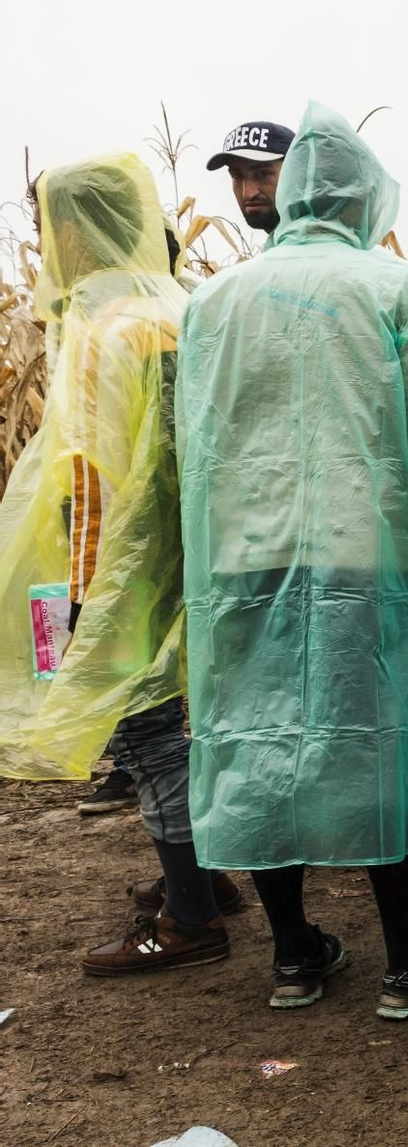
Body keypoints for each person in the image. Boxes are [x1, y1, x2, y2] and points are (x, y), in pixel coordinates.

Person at [180, 104, 408, 1017]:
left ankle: (294, 954)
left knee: (257, 742)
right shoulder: (392, 290)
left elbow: (194, 449)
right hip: (360, 555)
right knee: (374, 746)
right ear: (362, 194)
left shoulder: (213, 302)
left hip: (240, 561)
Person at [0, 154, 233, 972]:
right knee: (180, 724)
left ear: (74, 231)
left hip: (130, 568)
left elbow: (98, 481)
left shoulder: (102, 334)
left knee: (147, 734)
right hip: (203, 555)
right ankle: (206, 881)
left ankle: (192, 919)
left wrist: (89, 595)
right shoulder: (183, 312)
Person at [208, 117, 408, 439]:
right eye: (236, 177)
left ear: (299, 174)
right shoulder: (236, 290)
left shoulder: (388, 280)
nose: (248, 191)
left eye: (262, 174)